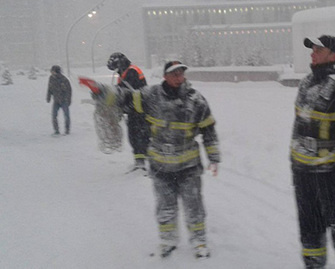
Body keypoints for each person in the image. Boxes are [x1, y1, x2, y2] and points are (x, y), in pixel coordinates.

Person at [84, 60, 220, 259]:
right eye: (173, 74)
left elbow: (208, 129)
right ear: (165, 76)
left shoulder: (196, 100)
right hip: (161, 167)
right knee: (165, 207)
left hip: (188, 167)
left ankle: (199, 242)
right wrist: (100, 90)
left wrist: (213, 156)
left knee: (194, 208)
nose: (178, 77)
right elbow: (125, 97)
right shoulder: (151, 96)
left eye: (180, 73)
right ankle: (168, 241)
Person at [290, 35, 335, 269]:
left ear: (334, 55)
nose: (312, 52)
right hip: (303, 172)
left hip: (331, 174)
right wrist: (294, 161)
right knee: (309, 226)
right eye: (312, 48)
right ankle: (313, 264)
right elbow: (299, 126)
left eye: (318, 49)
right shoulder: (306, 83)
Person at [106, 52, 150, 171]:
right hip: (134, 110)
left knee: (140, 136)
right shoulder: (124, 73)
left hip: (140, 110)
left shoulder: (131, 72)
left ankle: (143, 162)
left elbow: (131, 93)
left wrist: (124, 106)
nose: (115, 70)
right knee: (134, 136)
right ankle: (139, 161)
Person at [46, 65, 72, 135]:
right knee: (54, 115)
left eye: (53, 71)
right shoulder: (51, 78)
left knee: (66, 115)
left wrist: (68, 100)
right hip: (56, 100)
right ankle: (56, 130)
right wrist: (48, 97)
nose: (51, 73)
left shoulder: (64, 79)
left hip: (64, 100)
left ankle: (67, 129)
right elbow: (50, 88)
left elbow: (69, 90)